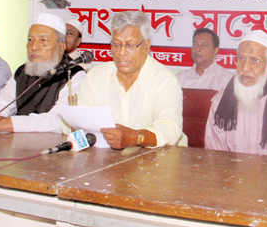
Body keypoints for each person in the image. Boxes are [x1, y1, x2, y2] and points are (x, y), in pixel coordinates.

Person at [77, 11, 186, 149]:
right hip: (105, 159)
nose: (121, 53)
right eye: (116, 44)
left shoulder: (164, 80)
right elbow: (80, 121)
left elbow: (170, 130)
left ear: (146, 47)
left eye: (130, 45)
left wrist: (135, 137)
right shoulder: (95, 76)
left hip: (156, 160)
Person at [0, 13, 86, 133]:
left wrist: (5, 124)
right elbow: (4, 103)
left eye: (43, 40)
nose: (34, 47)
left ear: (61, 47)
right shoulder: (22, 71)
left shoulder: (75, 75)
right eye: (30, 40)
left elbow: (59, 120)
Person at [205, 30, 267, 157]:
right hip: (229, 175)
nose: (245, 68)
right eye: (241, 58)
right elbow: (214, 156)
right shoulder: (220, 102)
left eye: (255, 60)